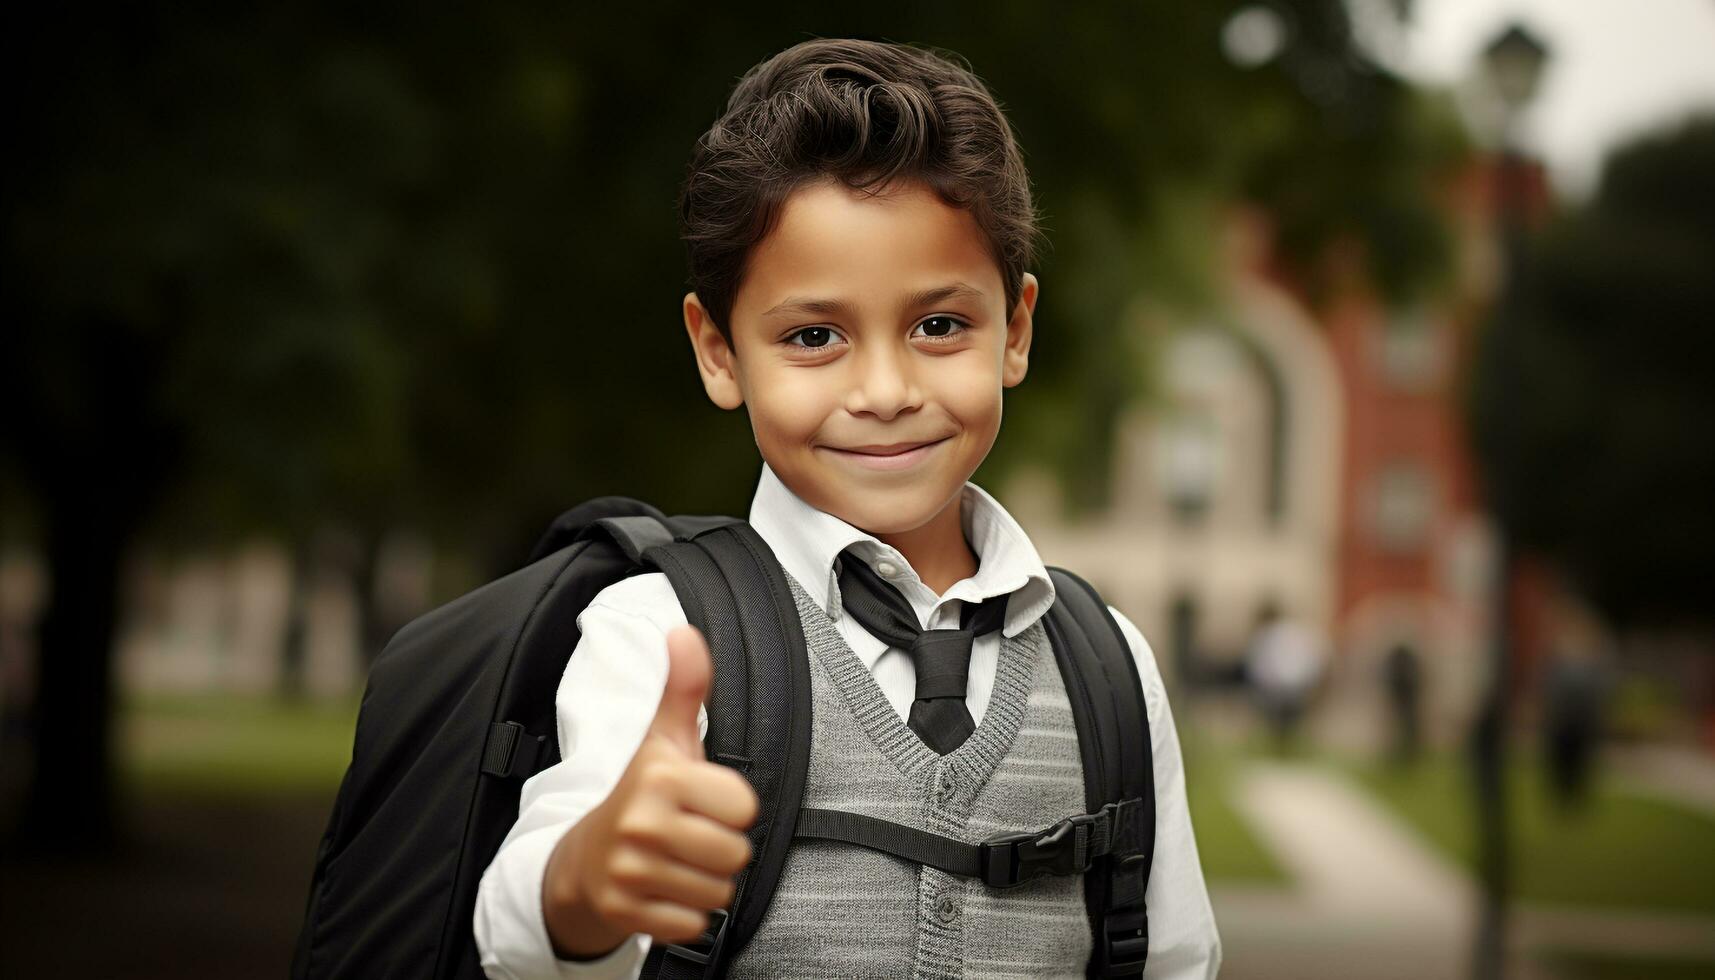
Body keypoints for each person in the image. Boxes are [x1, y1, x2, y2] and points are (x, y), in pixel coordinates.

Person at [473, 38, 1222, 979]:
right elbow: (518, 930)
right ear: (718, 352)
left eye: (938, 326)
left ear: (1015, 330)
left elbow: (1178, 957)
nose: (883, 388)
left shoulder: (1108, 667)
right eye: (814, 335)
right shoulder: (658, 633)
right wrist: (587, 880)